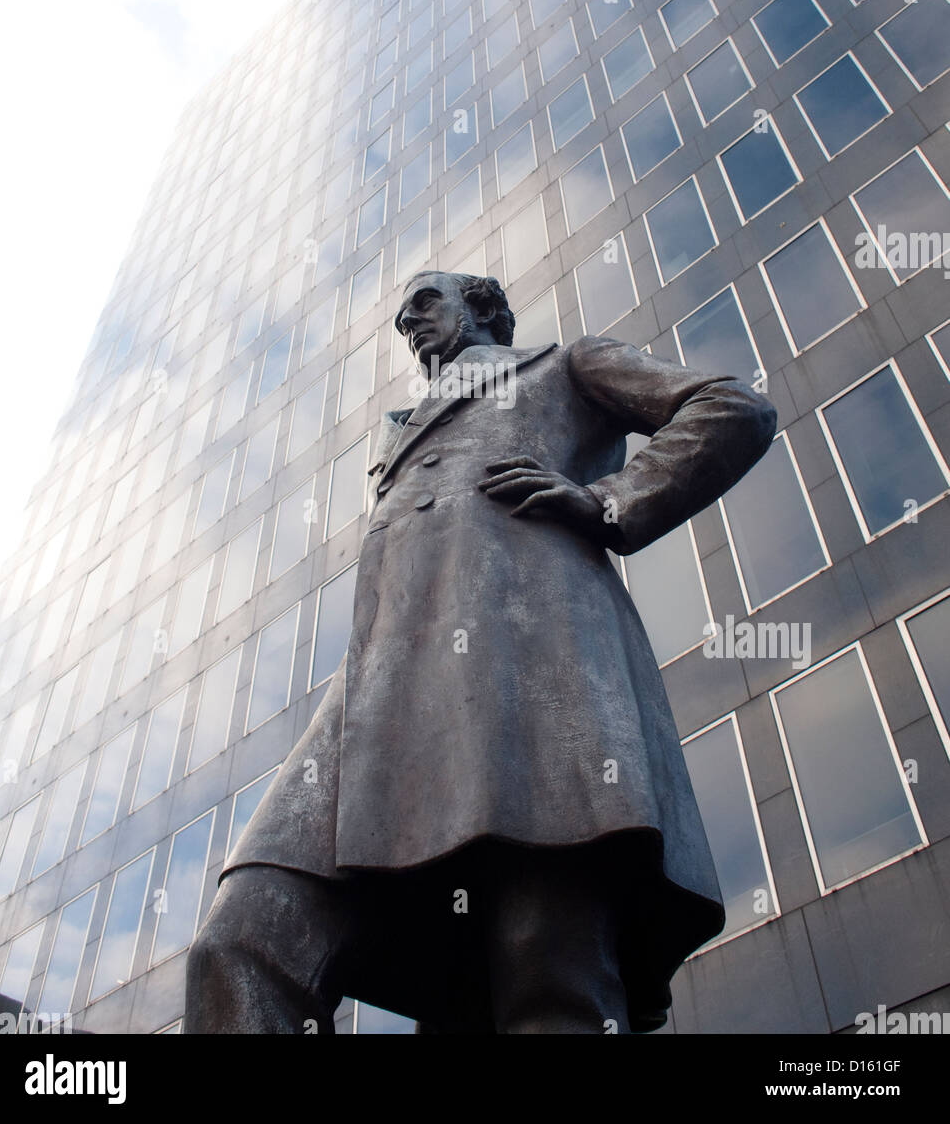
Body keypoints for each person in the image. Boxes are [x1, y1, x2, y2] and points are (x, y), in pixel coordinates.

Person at [185, 269, 776, 1034]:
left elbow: (731, 407)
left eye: (425, 303)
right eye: (401, 319)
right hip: (377, 702)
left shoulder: (566, 364)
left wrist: (606, 500)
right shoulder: (399, 430)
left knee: (548, 974)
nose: (410, 324)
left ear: (486, 309)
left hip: (532, 672)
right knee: (239, 939)